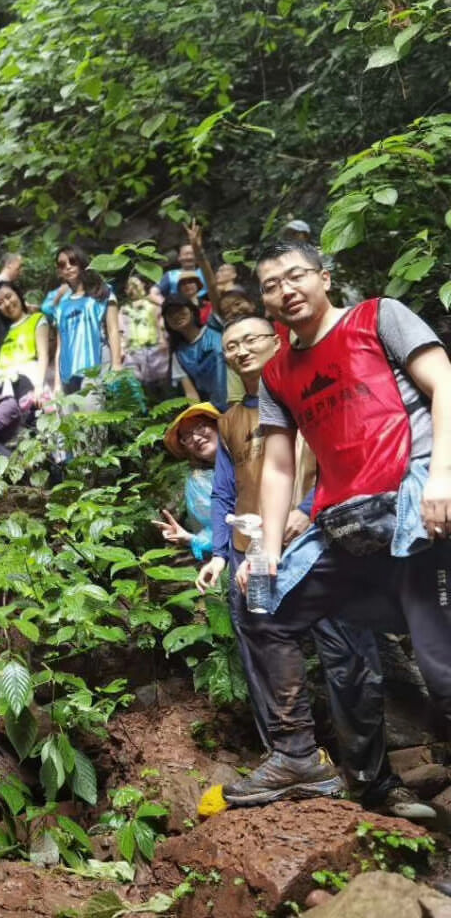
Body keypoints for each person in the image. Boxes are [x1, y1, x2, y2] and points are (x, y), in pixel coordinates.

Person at [227, 240, 451, 808]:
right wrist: (268, 549)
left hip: (413, 503)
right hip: (344, 521)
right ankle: (298, 757)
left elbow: (444, 382)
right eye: (273, 284)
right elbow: (278, 465)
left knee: (442, 668)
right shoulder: (280, 373)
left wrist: (442, 478)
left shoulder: (378, 317)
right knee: (262, 599)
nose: (286, 290)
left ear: (325, 277)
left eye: (296, 275)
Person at [193, 315, 428, 818]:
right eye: (231, 345)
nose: (241, 350)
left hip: (326, 541)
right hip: (253, 554)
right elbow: (223, 492)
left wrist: (306, 513)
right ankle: (293, 761)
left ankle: (375, 781)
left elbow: (348, 460)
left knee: (352, 659)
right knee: (263, 654)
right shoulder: (232, 418)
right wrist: (221, 551)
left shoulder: (313, 390)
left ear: (277, 340)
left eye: (252, 339)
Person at [153, 403, 219, 563]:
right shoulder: (198, 482)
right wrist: (190, 539)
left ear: (217, 425)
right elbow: (215, 534)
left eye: (201, 427)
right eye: (187, 436)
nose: (196, 438)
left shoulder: (249, 454)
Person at [54, 262, 122, 395]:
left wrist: (116, 364)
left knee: (94, 407)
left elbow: (113, 330)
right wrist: (57, 383)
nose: (68, 267)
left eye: (72, 262)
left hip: (96, 362)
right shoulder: (63, 304)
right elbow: (60, 346)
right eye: (62, 265)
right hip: (69, 369)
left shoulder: (101, 293)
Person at [163, 294, 227, 409]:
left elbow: (214, 292)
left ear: (192, 310)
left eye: (180, 309)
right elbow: (191, 395)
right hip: (216, 411)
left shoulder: (216, 326)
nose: (176, 315)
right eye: (170, 314)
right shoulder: (178, 356)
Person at [120, 276, 168, 387]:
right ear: (126, 290)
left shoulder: (153, 304)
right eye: (129, 286)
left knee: (161, 383)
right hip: (133, 351)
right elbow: (121, 331)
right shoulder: (124, 309)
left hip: (155, 348)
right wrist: (122, 348)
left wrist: (163, 338)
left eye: (136, 285)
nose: (133, 289)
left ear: (143, 285)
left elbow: (160, 323)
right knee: (137, 385)